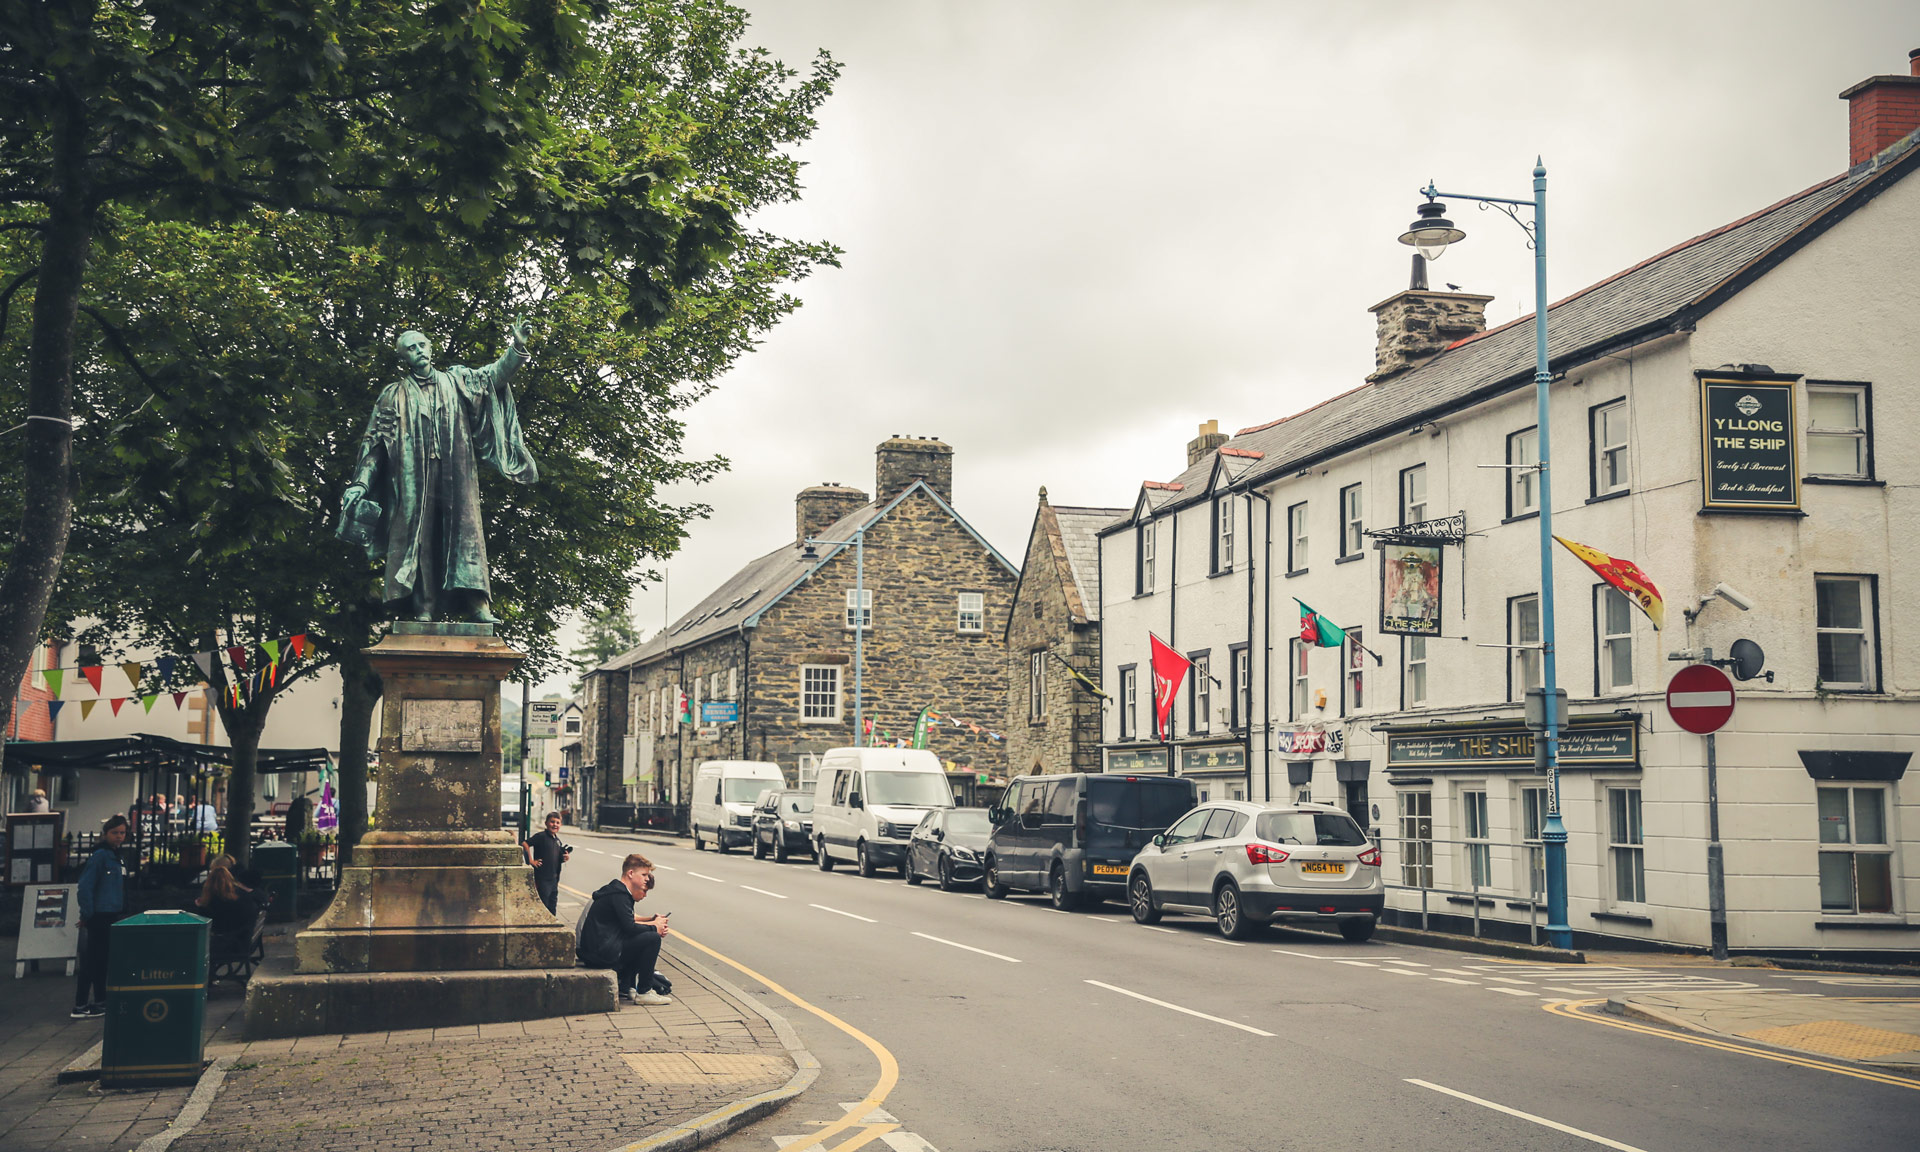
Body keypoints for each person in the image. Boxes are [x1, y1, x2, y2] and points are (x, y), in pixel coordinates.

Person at [337, 318, 538, 623]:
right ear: (404, 358)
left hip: (456, 473)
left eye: (421, 345)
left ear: (430, 347)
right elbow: (376, 444)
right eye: (411, 349)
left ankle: (477, 604)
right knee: (421, 539)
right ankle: (424, 608)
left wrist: (517, 348)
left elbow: (492, 377)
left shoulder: (458, 380)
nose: (418, 351)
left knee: (466, 534)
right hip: (413, 479)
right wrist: (361, 484)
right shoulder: (394, 394)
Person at [577, 853, 672, 1006]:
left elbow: (628, 922)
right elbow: (630, 927)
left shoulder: (618, 892)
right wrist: (655, 928)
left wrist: (652, 923)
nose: (647, 878)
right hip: (600, 953)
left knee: (640, 939)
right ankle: (644, 991)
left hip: (597, 949)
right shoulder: (619, 895)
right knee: (651, 939)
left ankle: (626, 986)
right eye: (644, 874)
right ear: (630, 873)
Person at [72, 815, 129, 1019]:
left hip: (112, 913)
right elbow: (85, 886)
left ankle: (99, 1001)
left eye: (122, 833)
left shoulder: (117, 857)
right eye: (115, 833)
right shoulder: (100, 856)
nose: (119, 837)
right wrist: (87, 913)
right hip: (100, 915)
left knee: (101, 960)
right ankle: (81, 1004)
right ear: (105, 834)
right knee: (92, 961)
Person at [194, 861, 262, 943]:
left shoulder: (215, 901)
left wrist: (200, 906)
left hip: (228, 944)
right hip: (242, 941)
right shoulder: (240, 897)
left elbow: (210, 924)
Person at [522, 812, 571, 915]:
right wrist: (530, 861)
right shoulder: (541, 836)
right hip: (542, 878)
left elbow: (556, 858)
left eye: (558, 823)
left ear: (560, 825)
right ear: (546, 823)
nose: (555, 825)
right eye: (552, 822)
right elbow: (525, 844)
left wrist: (565, 858)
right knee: (543, 905)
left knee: (552, 906)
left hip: (554, 880)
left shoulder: (557, 840)